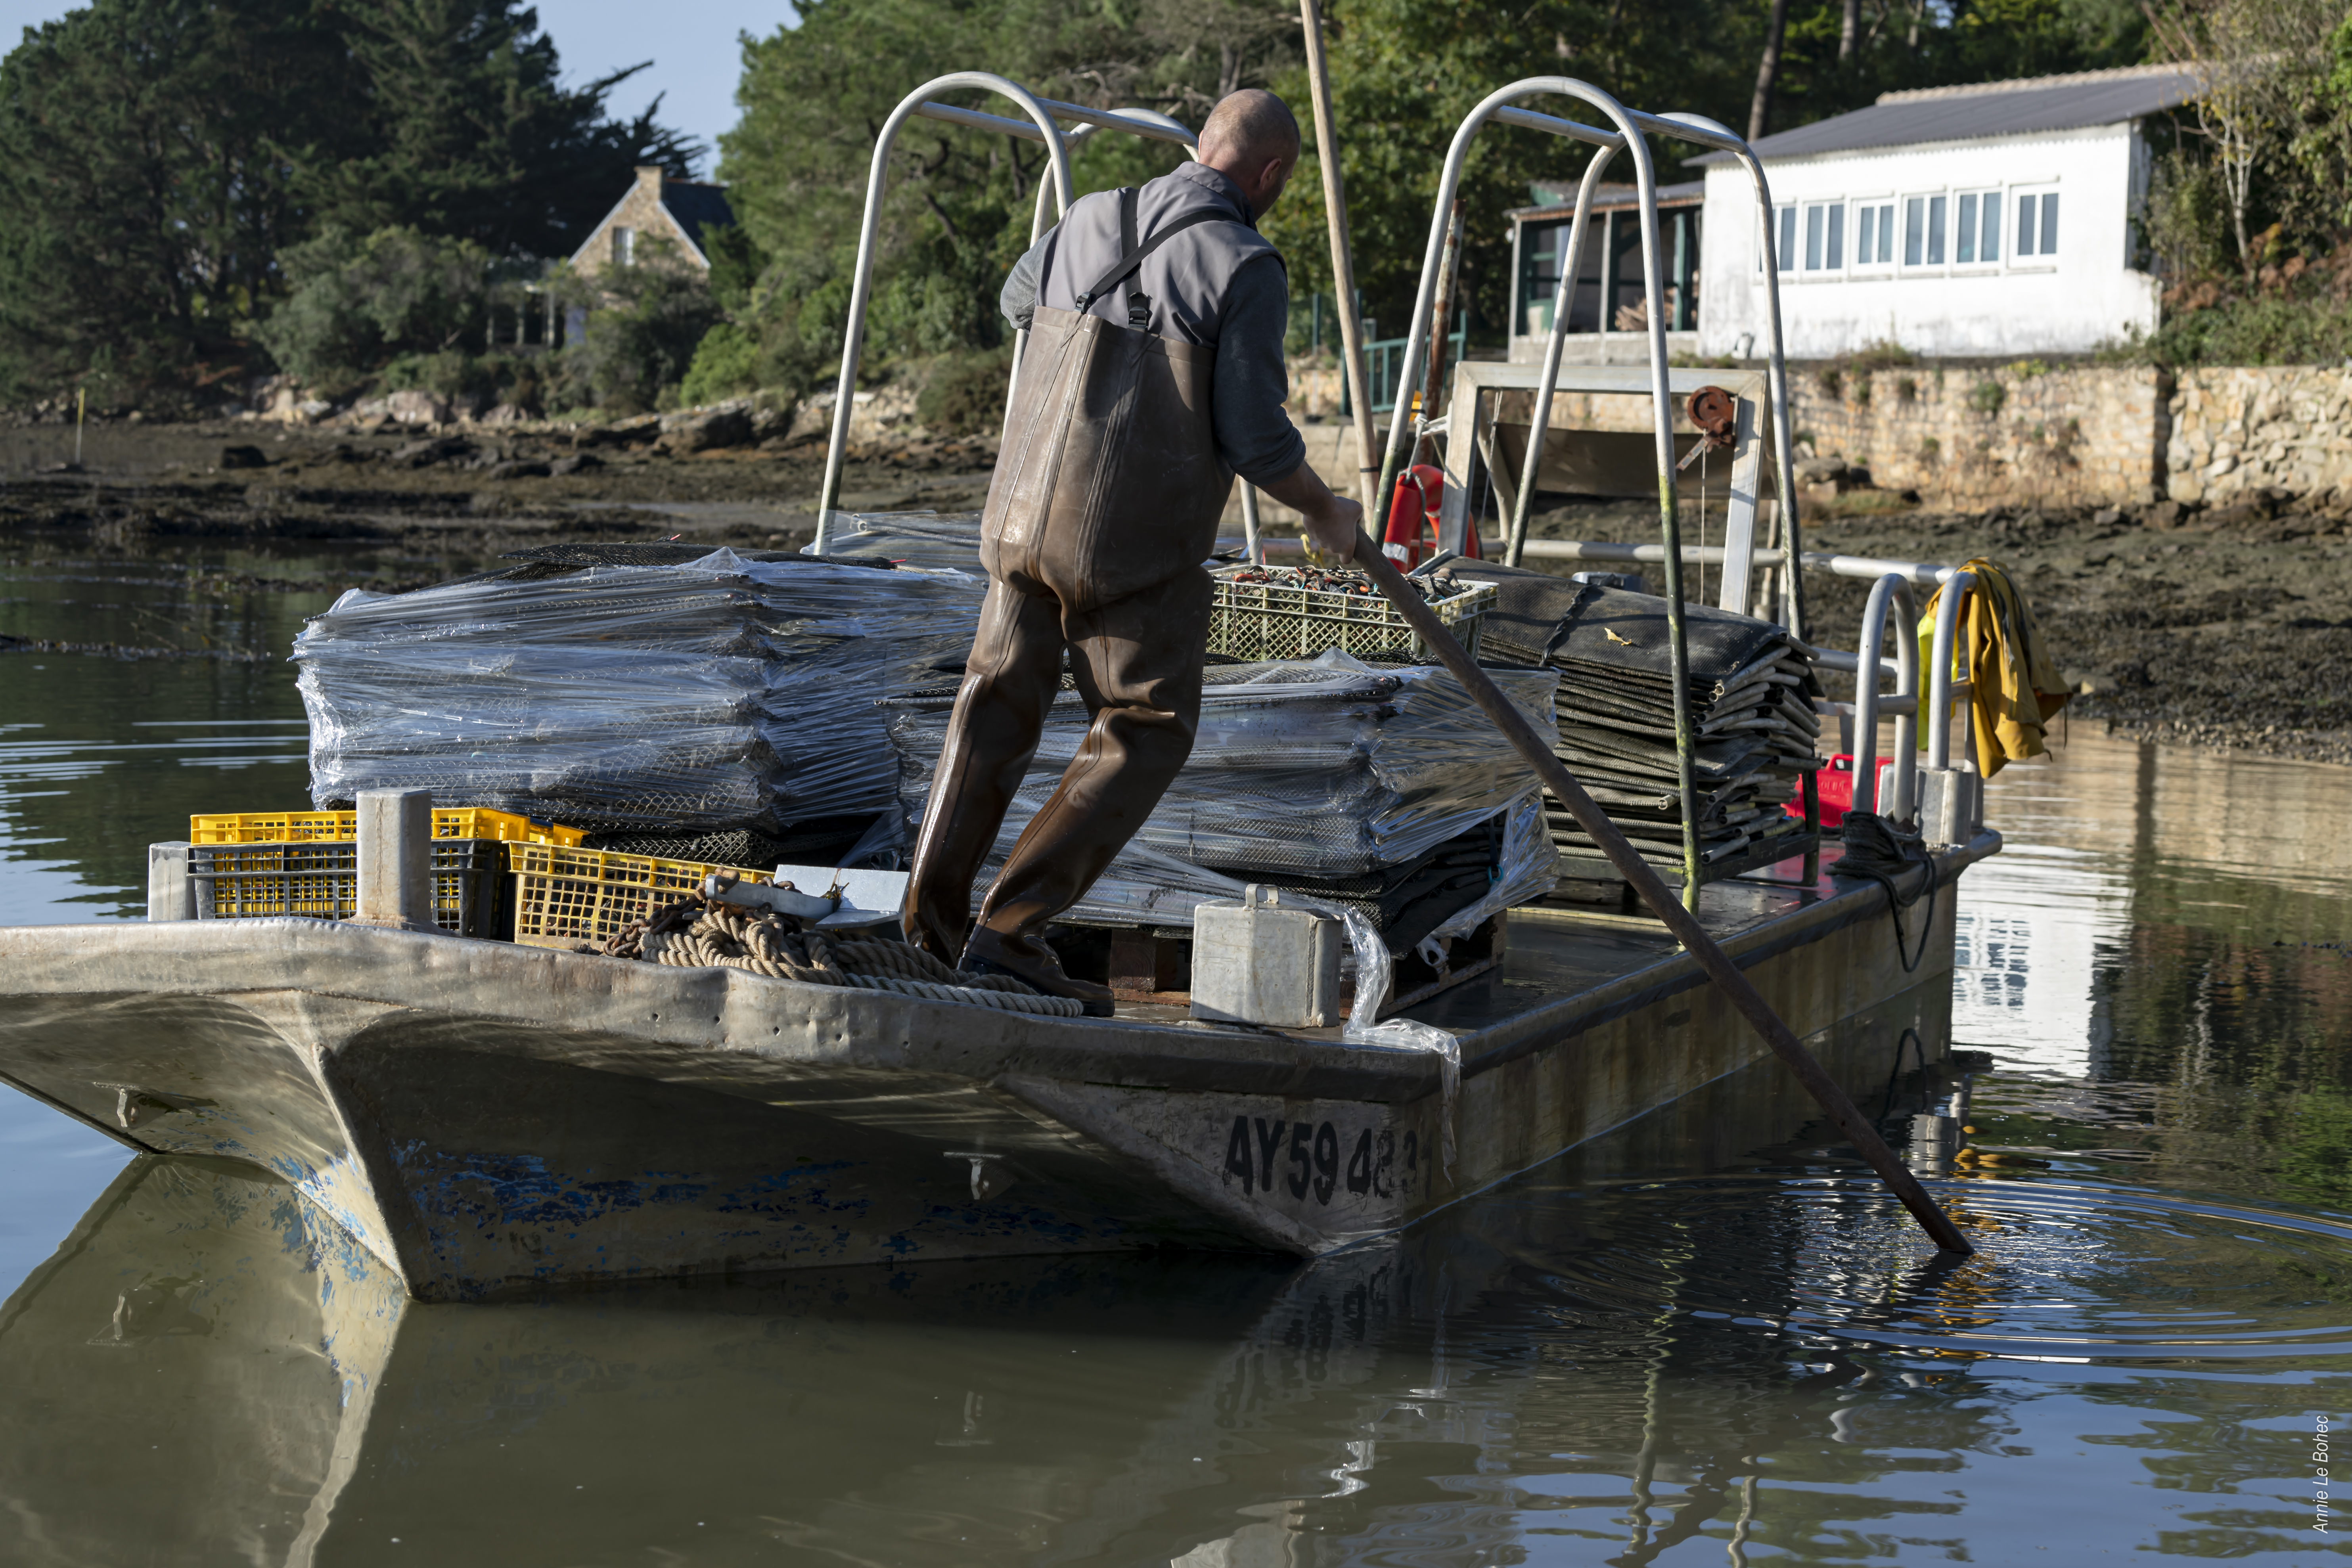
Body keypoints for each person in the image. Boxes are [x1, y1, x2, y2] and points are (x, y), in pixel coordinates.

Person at [902, 87, 1365, 1014]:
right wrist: (1324, 511)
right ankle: (1009, 932)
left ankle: (928, 926)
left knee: (991, 708)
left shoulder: (1088, 215)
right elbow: (1254, 438)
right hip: (1124, 549)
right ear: (1269, 174)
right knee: (1143, 727)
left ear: (1201, 146)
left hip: (1019, 520)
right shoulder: (1244, 261)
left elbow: (1014, 300)